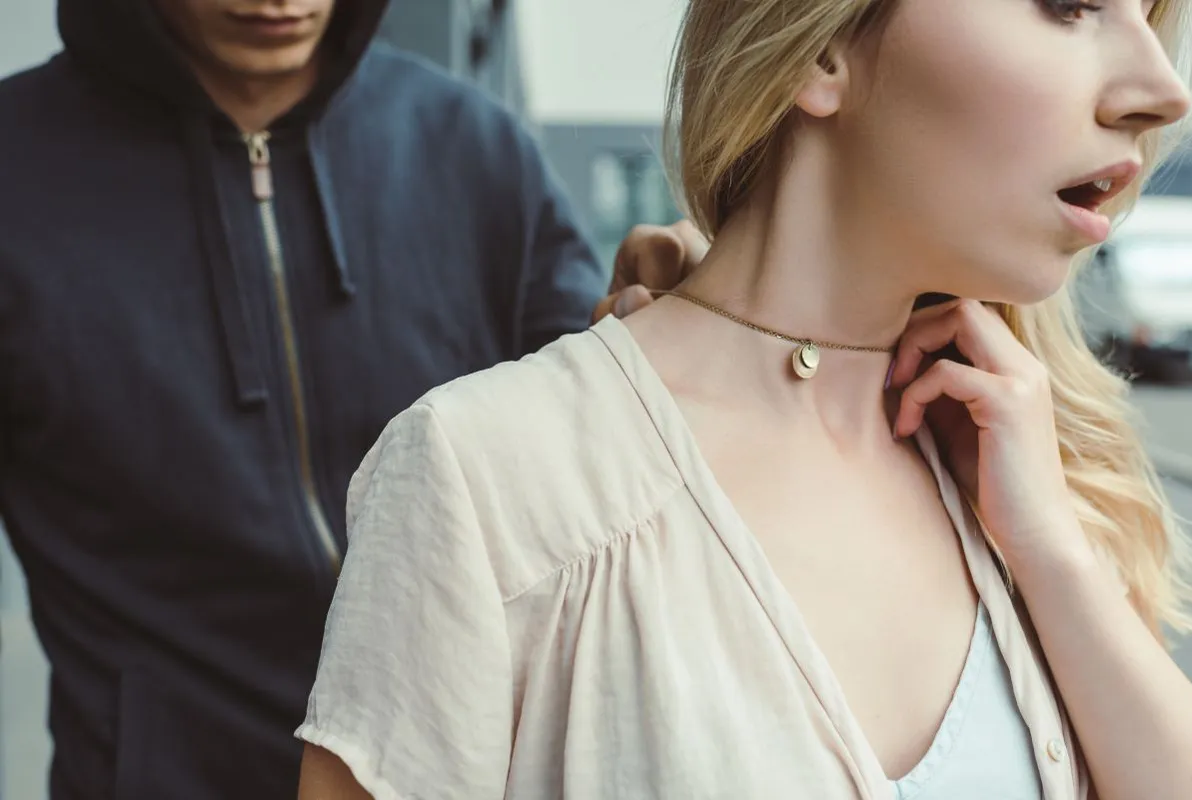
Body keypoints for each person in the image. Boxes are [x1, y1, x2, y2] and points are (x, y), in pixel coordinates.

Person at [296, 0, 1192, 798]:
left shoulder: (1017, 473)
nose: (1162, 92)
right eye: (1069, 4)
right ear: (822, 50)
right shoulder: (484, 474)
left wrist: (1051, 554)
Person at [0, 1, 693, 797]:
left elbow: (586, 456)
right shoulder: (15, 171)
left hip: (449, 774)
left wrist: (654, 335)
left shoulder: (472, 146)